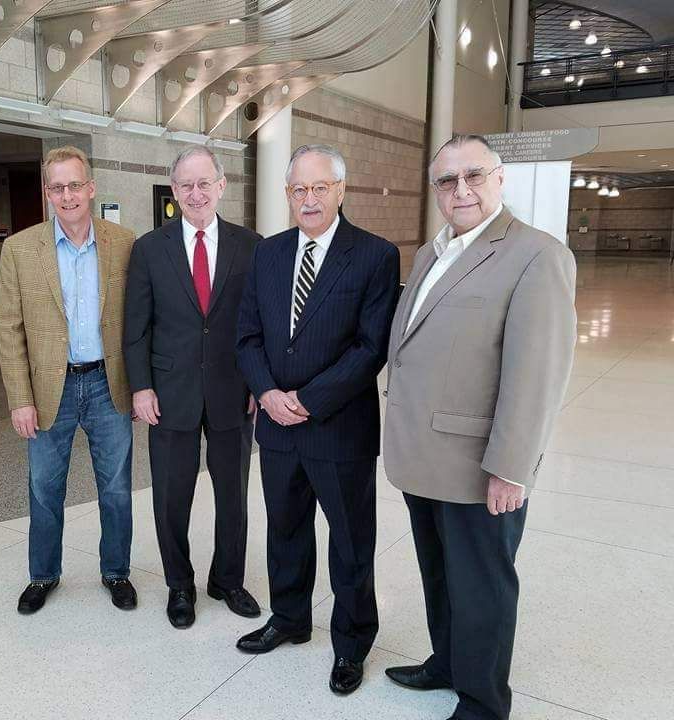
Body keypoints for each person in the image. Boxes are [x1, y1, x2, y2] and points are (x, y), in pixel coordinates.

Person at [383, 134, 576, 720]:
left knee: (483, 585)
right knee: (439, 573)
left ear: (499, 179)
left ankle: (484, 700)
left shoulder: (535, 255)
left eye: (474, 175)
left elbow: (535, 374)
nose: (460, 189)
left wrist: (511, 469)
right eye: (447, 180)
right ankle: (447, 661)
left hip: (479, 465)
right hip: (424, 456)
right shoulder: (430, 252)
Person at [235, 144, 400, 694]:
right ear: (288, 196)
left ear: (340, 190)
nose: (309, 199)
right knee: (284, 528)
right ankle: (289, 618)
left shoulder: (375, 255)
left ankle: (351, 644)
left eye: (319, 188)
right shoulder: (269, 253)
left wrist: (306, 398)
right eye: (298, 190)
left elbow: (370, 345)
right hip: (278, 428)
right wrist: (268, 392)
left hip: (339, 427)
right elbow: (248, 335)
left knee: (350, 540)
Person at [0, 145, 138, 615]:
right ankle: (43, 575)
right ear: (46, 193)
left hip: (106, 383)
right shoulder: (19, 250)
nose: (67, 195)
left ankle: (116, 571)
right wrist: (20, 399)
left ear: (91, 188)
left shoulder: (125, 243)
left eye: (75, 185)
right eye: (56, 187)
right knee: (44, 489)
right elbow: (8, 328)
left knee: (115, 489)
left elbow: (140, 322)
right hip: (46, 389)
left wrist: (142, 385)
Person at [123, 146, 262, 629]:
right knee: (170, 495)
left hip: (233, 391)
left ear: (222, 186)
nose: (196, 193)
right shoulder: (148, 249)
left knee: (234, 495)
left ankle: (227, 579)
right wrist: (141, 388)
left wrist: (258, 384)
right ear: (174, 191)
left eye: (205, 183)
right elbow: (135, 327)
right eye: (186, 185)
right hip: (170, 393)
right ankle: (179, 585)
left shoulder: (251, 245)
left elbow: (258, 324)